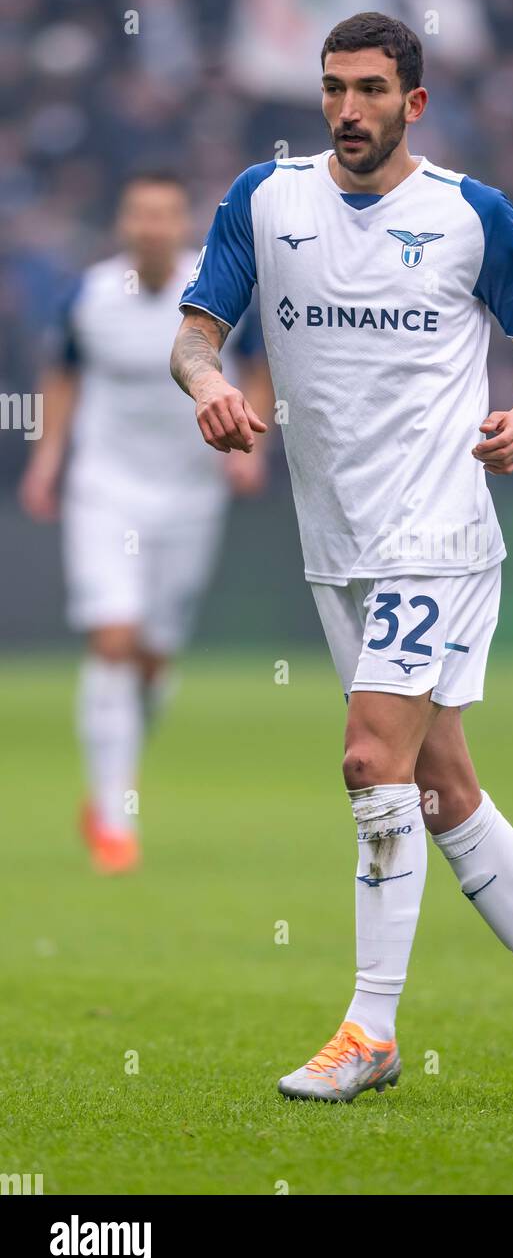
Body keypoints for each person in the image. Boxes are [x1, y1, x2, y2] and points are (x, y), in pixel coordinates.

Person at [170, 12, 513, 1101]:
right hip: (338, 544)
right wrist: (209, 385)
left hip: (438, 532)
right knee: (439, 786)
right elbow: (197, 332)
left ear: (411, 103)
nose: (346, 110)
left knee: (368, 761)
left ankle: (370, 1030)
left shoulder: (467, 214)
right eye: (332, 88)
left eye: (370, 89)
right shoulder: (264, 200)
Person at [20, 172, 271, 874]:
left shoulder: (219, 292)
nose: (153, 227)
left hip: (192, 495)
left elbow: (258, 370)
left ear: (181, 222)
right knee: (114, 637)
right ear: (124, 223)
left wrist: (255, 449)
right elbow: (63, 377)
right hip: (106, 490)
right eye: (140, 214)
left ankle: (113, 770)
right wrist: (48, 462)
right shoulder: (90, 296)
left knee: (154, 658)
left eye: (165, 214)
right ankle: (112, 812)